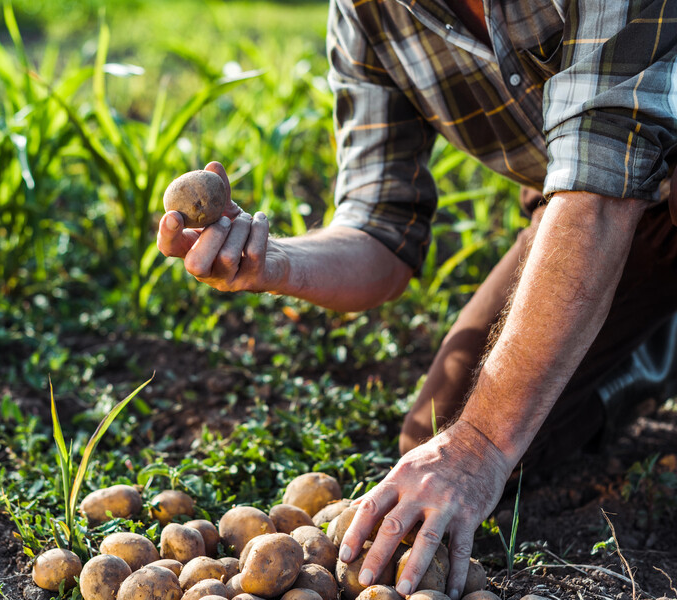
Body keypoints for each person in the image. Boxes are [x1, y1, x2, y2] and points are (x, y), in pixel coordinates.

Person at [158, 1, 677, 598]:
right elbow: (380, 227)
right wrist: (274, 262)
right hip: (588, 212)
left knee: (480, 439)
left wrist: (478, 448)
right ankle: (651, 343)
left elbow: (601, 186)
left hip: (611, 192)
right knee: (441, 427)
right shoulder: (365, 12)